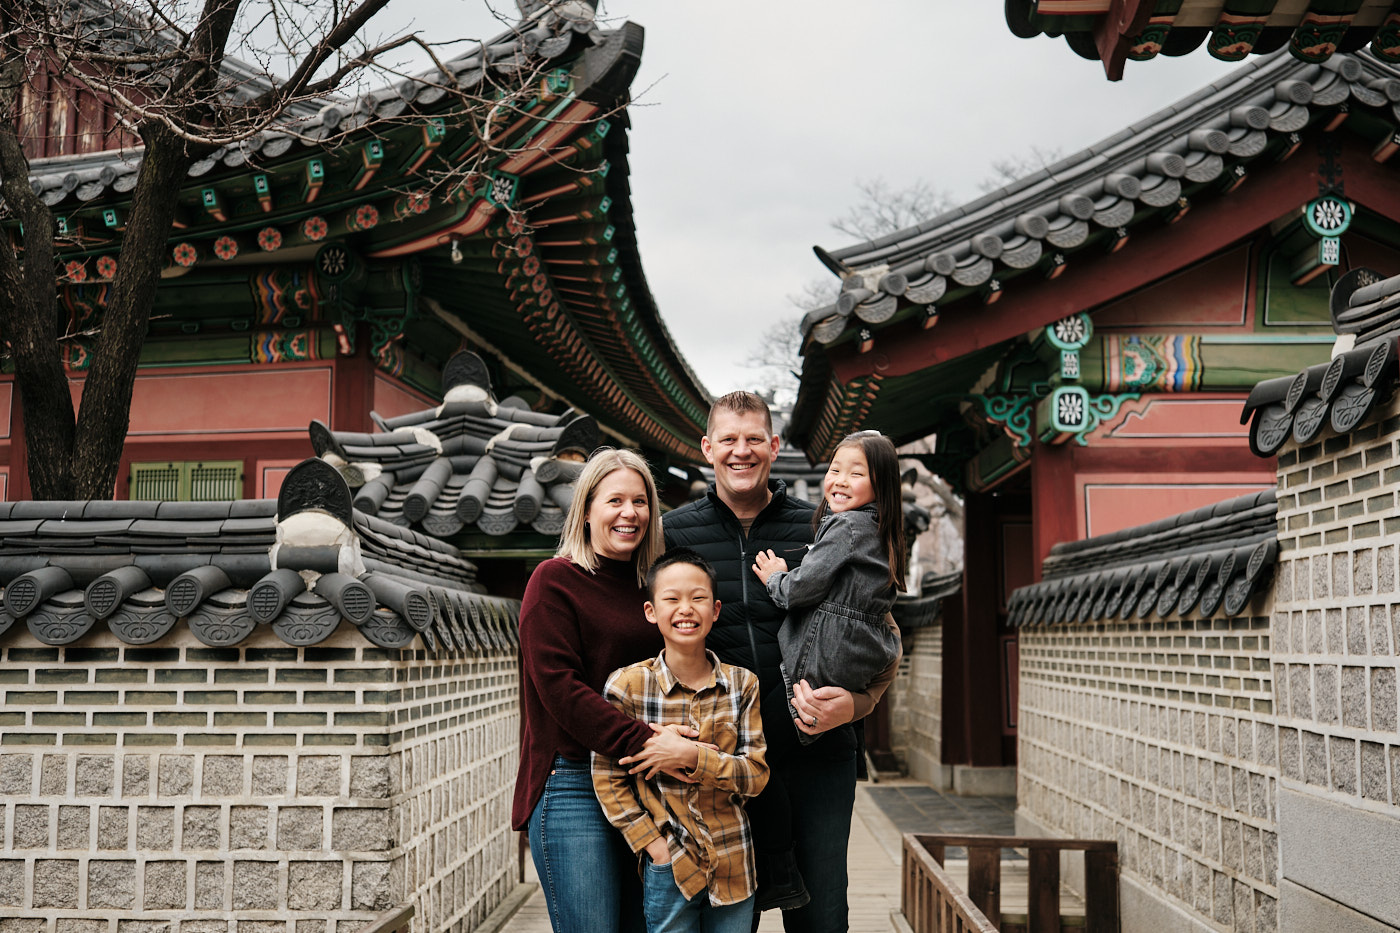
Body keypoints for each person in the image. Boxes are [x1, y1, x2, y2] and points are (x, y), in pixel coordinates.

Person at [662, 391, 901, 932]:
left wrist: (860, 703)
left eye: (753, 440)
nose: (740, 452)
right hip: (723, 754)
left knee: (821, 915)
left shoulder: (822, 526)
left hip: (816, 746)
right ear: (707, 448)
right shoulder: (673, 534)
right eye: (728, 440)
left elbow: (884, 633)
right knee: (728, 918)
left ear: (774, 446)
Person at [512, 447, 696, 933]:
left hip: (651, 785)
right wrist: (651, 744)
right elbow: (561, 690)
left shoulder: (656, 589)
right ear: (587, 509)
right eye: (615, 500)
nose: (629, 513)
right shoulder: (554, 581)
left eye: (641, 501)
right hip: (573, 783)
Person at [592, 547, 769, 933]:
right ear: (651, 611)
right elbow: (608, 779)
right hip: (669, 863)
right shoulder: (628, 686)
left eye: (698, 598)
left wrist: (691, 755)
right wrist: (654, 848)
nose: (685, 609)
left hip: (734, 858)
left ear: (716, 610)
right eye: (671, 599)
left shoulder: (742, 685)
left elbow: (755, 774)